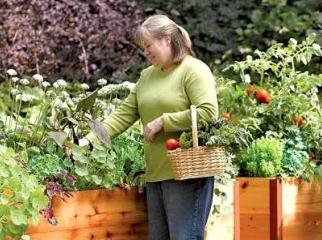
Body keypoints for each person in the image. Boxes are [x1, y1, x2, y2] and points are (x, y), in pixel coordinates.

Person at [79, 15, 219, 240]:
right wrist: (87, 141)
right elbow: (123, 115)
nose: (145, 53)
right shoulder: (146, 76)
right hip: (156, 174)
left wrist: (163, 121)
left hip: (186, 174)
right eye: (143, 48)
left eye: (148, 46)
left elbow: (208, 113)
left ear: (166, 39)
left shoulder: (193, 70)